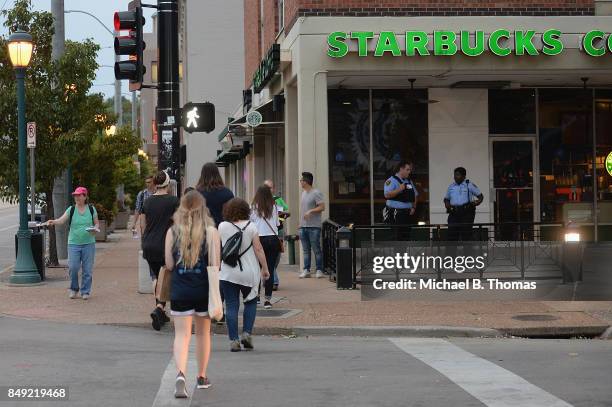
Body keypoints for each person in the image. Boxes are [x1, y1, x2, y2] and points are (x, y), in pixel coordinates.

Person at [164, 191, 220, 398]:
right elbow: (215, 265)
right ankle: (202, 377)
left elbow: (169, 264)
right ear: (202, 208)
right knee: (203, 333)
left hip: (180, 289)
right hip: (203, 290)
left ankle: (180, 374)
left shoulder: (172, 232)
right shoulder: (211, 232)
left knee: (182, 335)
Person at [219, 198, 270, 352]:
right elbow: (259, 249)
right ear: (245, 211)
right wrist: (265, 268)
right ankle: (247, 333)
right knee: (250, 302)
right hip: (249, 272)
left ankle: (233, 340)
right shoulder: (252, 227)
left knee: (231, 305)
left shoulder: (222, 226)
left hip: (228, 272)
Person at [142, 171, 179, 331]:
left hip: (149, 244)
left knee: (157, 277)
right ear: (168, 184)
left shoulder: (148, 202)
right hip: (166, 244)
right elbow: (178, 223)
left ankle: (160, 309)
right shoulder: (173, 201)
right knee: (168, 277)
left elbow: (143, 225)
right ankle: (160, 309)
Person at [46, 187, 99, 300]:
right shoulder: (71, 209)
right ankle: (74, 288)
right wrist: (53, 221)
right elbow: (61, 220)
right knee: (73, 267)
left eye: (79, 195)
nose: (77, 197)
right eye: (75, 195)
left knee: (87, 270)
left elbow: (97, 224)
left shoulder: (91, 209)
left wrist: (95, 229)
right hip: (74, 243)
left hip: (89, 243)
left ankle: (85, 291)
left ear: (85, 196)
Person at [250, 185, 281, 309]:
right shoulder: (274, 207)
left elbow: (250, 223)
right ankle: (267, 300)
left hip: (259, 239)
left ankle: (256, 296)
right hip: (273, 239)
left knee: (256, 268)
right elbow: (277, 224)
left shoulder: (253, 207)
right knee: (270, 268)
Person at [444, 167, 484, 242]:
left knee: (466, 236)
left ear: (464, 176)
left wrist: (477, 202)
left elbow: (480, 196)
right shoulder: (451, 186)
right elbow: (446, 198)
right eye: (455, 175)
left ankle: (467, 253)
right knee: (451, 235)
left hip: (466, 212)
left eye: (458, 175)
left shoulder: (469, 185)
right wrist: (447, 204)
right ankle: (451, 253)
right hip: (454, 212)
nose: (455, 177)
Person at [298, 172, 325, 279]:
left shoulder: (316, 193)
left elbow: (322, 207)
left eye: (301, 180)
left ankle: (319, 270)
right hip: (303, 226)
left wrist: (311, 211)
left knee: (316, 249)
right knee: (305, 250)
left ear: (306, 181)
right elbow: (302, 210)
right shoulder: (303, 193)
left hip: (314, 226)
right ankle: (306, 269)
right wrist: (299, 223)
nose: (300, 182)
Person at [263, 179, 289, 290]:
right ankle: (273, 280)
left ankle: (270, 276)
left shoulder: (278, 200)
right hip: (265, 233)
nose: (269, 190)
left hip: (278, 231)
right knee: (270, 257)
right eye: (266, 188)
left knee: (276, 257)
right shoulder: (260, 201)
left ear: (274, 189)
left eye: (271, 187)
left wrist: (281, 215)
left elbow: (286, 212)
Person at [383, 161, 418, 240]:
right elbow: (387, 195)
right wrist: (399, 189)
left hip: (407, 214)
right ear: (401, 169)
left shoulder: (408, 181)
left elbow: (415, 195)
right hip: (396, 214)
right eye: (407, 170)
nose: (409, 172)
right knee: (397, 237)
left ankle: (404, 253)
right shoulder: (391, 181)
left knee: (406, 237)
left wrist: (414, 207)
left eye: (410, 170)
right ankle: (398, 253)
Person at [196, 163, 234, 227]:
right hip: (224, 230)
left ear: (202, 175)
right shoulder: (227, 193)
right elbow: (232, 213)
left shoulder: (197, 194)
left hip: (203, 230)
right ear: (218, 175)